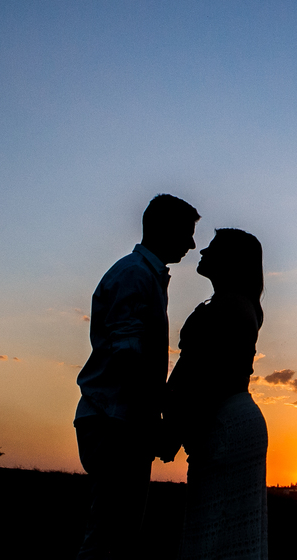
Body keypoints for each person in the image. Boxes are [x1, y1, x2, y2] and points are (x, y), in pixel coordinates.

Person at [74, 193, 200, 559]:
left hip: (120, 420)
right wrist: (156, 421)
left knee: (117, 535)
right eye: (187, 233)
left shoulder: (145, 275)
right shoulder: (134, 276)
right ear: (163, 229)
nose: (193, 244)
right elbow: (128, 358)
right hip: (115, 422)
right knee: (110, 538)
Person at [166, 228, 268, 560]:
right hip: (223, 418)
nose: (202, 250)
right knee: (217, 529)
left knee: (216, 531)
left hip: (224, 420)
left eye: (213, 247)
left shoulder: (233, 307)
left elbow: (209, 378)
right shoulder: (227, 303)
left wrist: (175, 430)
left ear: (232, 260)